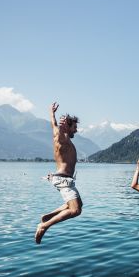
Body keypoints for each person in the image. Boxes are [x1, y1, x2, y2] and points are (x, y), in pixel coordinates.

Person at [35, 102, 82, 244]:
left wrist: (52, 113)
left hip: (65, 179)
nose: (77, 130)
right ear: (67, 127)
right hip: (63, 180)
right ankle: (44, 226)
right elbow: (59, 129)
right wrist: (62, 126)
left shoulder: (60, 134)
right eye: (75, 127)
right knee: (75, 210)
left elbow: (53, 125)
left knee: (78, 204)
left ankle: (46, 217)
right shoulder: (63, 137)